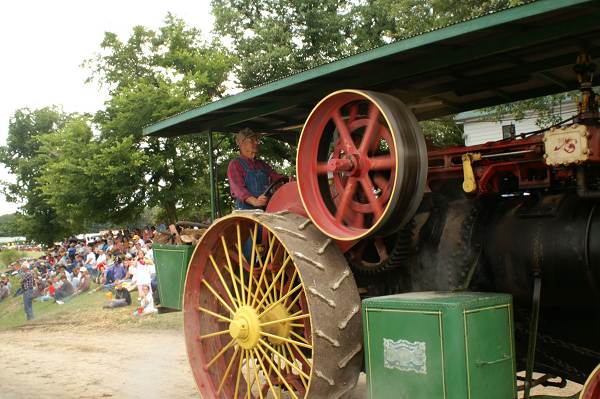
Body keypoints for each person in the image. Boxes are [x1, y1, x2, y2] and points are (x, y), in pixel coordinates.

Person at [227, 128, 286, 210]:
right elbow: (238, 189)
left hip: (266, 209)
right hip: (247, 213)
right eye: (252, 140)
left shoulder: (262, 164)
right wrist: (255, 201)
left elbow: (276, 178)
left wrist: (287, 181)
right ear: (241, 143)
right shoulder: (235, 164)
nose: (256, 143)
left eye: (256, 140)